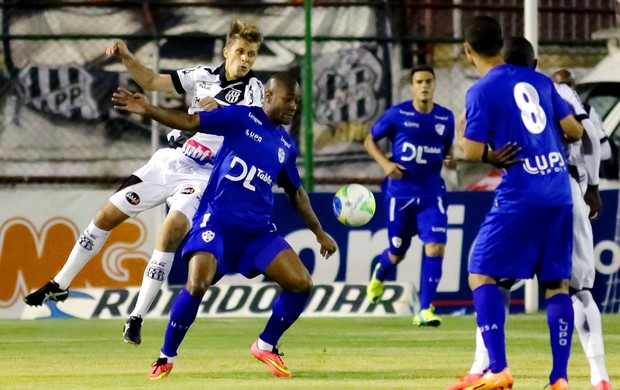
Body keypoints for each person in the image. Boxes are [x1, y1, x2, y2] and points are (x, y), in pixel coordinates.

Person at [24, 20, 264, 347]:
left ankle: (136, 316)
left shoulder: (254, 89)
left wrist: (218, 108)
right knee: (106, 217)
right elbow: (152, 80)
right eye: (240, 51)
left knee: (171, 230)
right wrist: (126, 55)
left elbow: (250, 120)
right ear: (226, 52)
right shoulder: (201, 75)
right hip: (171, 161)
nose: (246, 59)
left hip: (205, 175)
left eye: (251, 53)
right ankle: (60, 283)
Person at [112, 73, 338, 379]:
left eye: (297, 101)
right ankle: (166, 357)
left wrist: (319, 233)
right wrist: (149, 109)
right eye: (288, 98)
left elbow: (296, 193)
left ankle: (266, 345)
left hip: (256, 232)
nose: (294, 106)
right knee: (197, 284)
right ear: (268, 97)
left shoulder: (286, 144)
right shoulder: (241, 117)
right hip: (216, 221)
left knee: (301, 284)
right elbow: (192, 123)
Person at [446, 37, 612, 390]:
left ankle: (496, 367)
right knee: (562, 286)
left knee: (482, 272)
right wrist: (591, 182)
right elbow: (578, 132)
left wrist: (488, 154)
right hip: (562, 191)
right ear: (535, 63)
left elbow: (472, 150)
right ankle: (562, 377)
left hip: (522, 192)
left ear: (468, 49)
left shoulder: (485, 89)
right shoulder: (547, 84)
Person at [363, 65, 455, 327]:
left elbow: (446, 148)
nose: (424, 86)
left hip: (431, 194)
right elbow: (369, 140)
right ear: (412, 86)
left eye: (428, 81)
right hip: (400, 195)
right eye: (419, 82)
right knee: (398, 251)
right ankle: (381, 271)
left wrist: (450, 160)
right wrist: (385, 164)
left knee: (435, 246)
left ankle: (425, 310)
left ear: (434, 84)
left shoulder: (445, 118)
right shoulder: (397, 114)